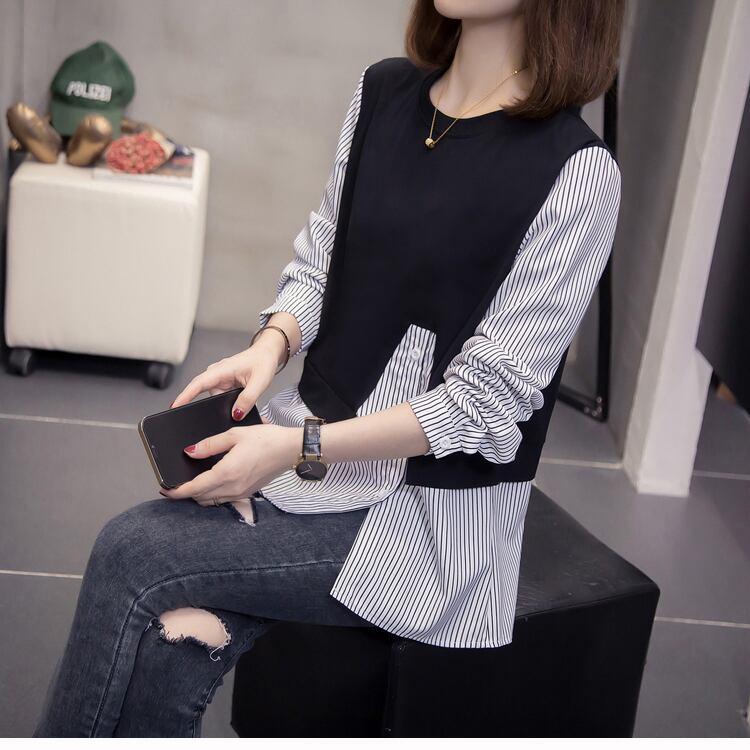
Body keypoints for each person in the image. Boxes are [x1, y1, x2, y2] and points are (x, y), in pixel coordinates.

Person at [34, 0, 625, 737]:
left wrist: (296, 447)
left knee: (130, 552)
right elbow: (323, 260)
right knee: (168, 641)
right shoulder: (384, 92)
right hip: (307, 453)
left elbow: (485, 403)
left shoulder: (579, 173)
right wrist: (268, 348)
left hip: (420, 519)